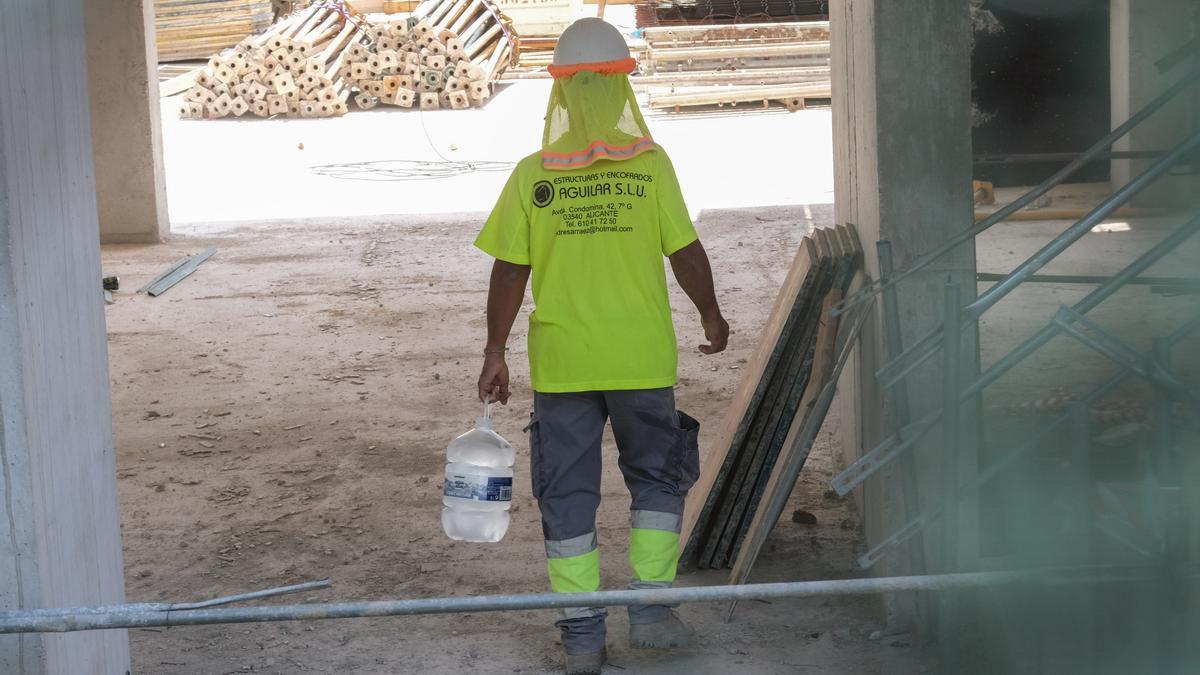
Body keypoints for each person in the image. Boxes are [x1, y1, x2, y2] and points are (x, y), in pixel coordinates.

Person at [473, 17, 728, 675]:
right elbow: (686, 250)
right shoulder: (650, 167)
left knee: (566, 494)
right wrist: (711, 315)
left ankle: (583, 637)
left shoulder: (535, 177)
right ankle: (650, 612)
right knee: (657, 477)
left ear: (560, 94)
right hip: (641, 357)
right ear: (621, 94)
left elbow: (509, 268)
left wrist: (495, 350)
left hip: (563, 367)